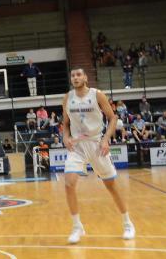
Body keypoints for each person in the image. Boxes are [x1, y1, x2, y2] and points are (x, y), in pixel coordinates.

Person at [62, 67, 135, 244]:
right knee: (69, 183)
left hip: (96, 145)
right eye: (73, 75)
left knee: (111, 186)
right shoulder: (67, 97)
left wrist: (105, 139)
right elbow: (64, 123)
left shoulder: (97, 94)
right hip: (77, 146)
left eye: (79, 74)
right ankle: (77, 227)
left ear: (85, 77)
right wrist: (65, 137)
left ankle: (127, 223)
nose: (75, 77)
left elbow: (112, 118)